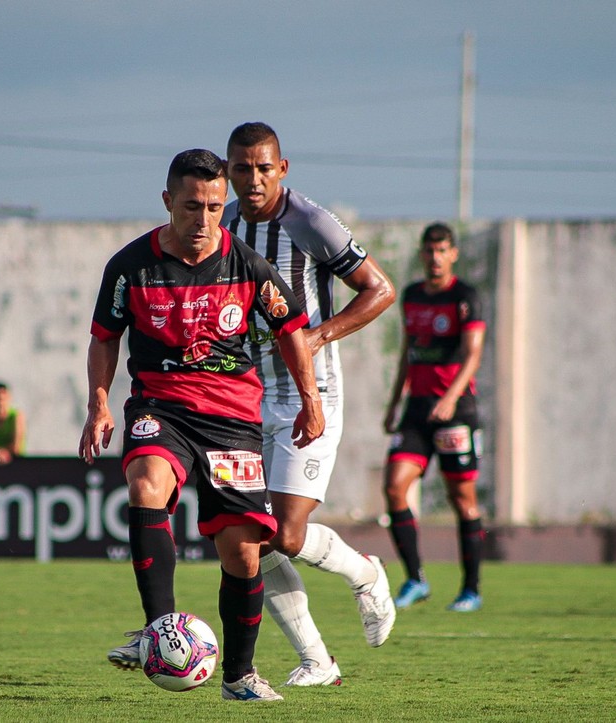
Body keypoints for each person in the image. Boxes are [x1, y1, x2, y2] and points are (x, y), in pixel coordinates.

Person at [78, 148, 325, 702]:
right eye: (192, 206)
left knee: (241, 552)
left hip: (232, 418)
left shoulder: (245, 265)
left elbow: (291, 329)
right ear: (168, 202)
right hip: (159, 406)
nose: (204, 219)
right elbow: (104, 338)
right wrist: (99, 402)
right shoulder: (130, 266)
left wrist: (310, 398)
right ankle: (158, 630)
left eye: (215, 207)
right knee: (146, 483)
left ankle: (239, 677)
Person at [222, 122, 397, 687]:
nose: (253, 179)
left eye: (263, 167)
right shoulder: (221, 224)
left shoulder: (310, 222)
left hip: (309, 393)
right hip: (246, 400)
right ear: (229, 170)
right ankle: (316, 660)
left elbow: (380, 289)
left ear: (283, 168)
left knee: (286, 535)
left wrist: (318, 337)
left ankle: (366, 574)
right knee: (250, 533)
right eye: (242, 168)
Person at [382, 222, 487, 613]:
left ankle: (471, 589)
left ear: (453, 254)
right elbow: (407, 354)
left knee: (463, 499)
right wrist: (395, 402)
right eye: (429, 251)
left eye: (442, 250)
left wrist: (450, 397)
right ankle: (415, 579)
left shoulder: (466, 297)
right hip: (417, 409)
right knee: (395, 486)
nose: (435, 257)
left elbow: (473, 353)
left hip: (455, 410)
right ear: (422, 254)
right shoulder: (411, 296)